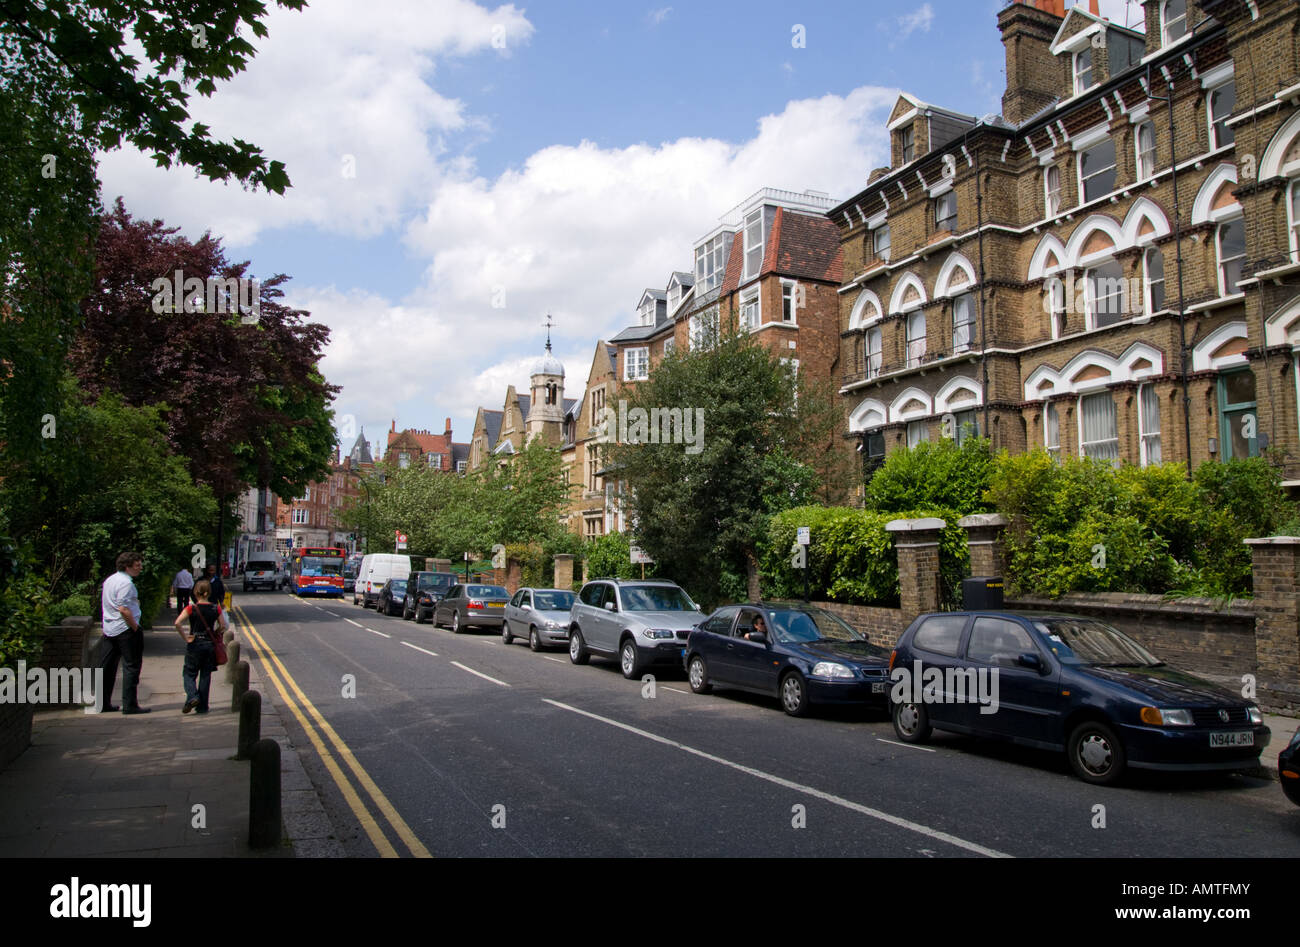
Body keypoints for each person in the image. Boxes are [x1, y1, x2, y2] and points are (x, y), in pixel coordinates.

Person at [98, 551, 150, 714]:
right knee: (131, 666)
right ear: (127, 566)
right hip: (126, 630)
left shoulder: (110, 580)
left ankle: (102, 703)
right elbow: (123, 608)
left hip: (110, 629)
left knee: (107, 667)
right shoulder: (126, 583)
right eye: (137, 565)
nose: (140, 568)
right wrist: (135, 627)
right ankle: (130, 705)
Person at [173, 579, 226, 714]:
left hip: (195, 643)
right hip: (209, 645)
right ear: (209, 592)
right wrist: (216, 633)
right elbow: (223, 625)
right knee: (205, 675)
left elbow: (178, 623)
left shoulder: (191, 608)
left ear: (196, 592)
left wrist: (185, 637)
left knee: (189, 673)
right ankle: (202, 707)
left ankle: (192, 696)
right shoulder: (216, 608)